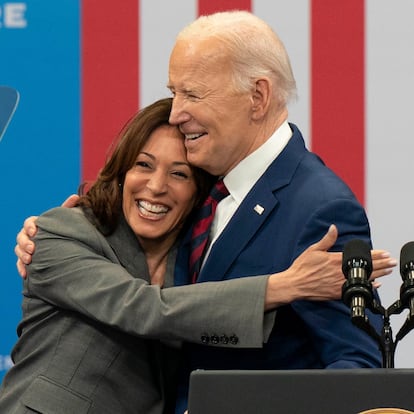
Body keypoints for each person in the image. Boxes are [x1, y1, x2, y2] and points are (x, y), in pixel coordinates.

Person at [13, 11, 397, 413]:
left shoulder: (320, 206)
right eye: (174, 92)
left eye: (193, 94)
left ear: (257, 96)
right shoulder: (200, 194)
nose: (177, 112)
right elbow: (145, 300)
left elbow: (356, 368)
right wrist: (58, 230)